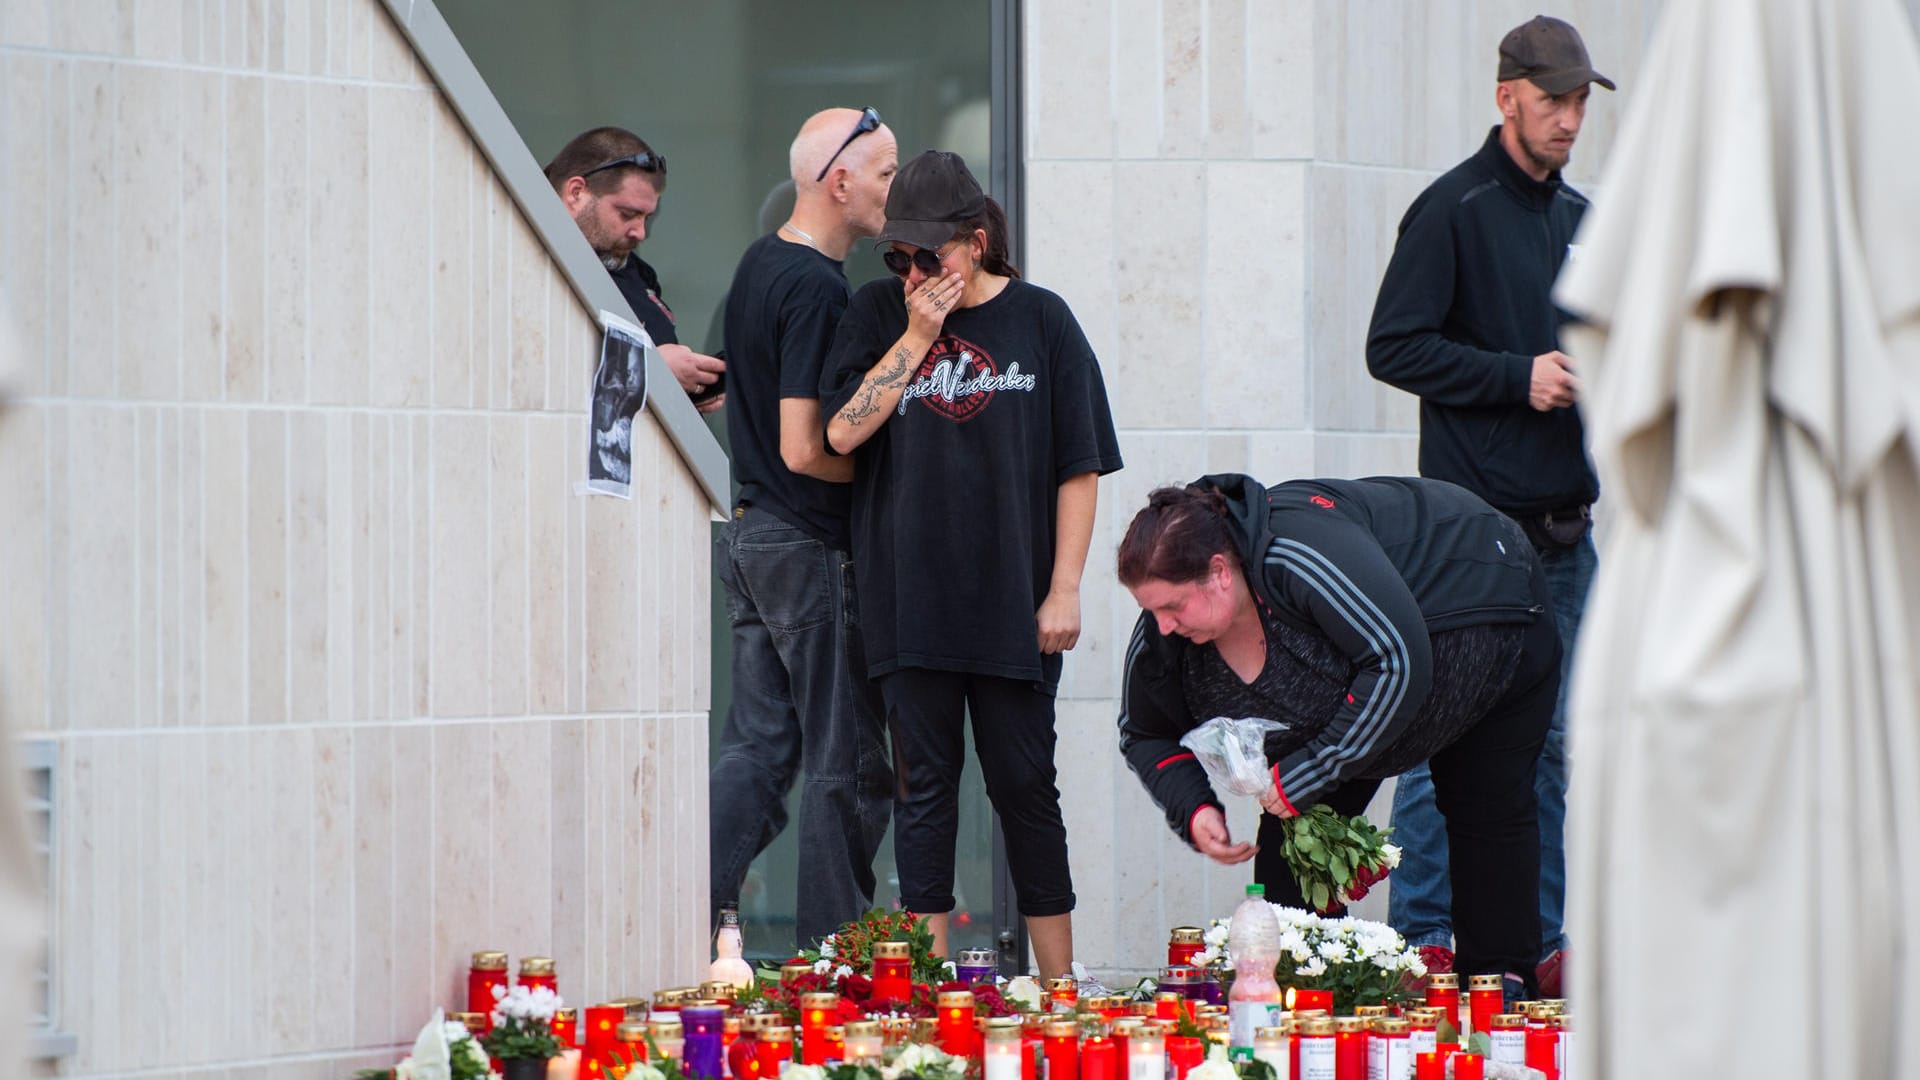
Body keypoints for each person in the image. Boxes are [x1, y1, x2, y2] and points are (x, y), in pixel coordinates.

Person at [821, 150, 1122, 980]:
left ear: (977, 241)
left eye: (930, 255)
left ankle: (1058, 989)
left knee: (1026, 787)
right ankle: (927, 992)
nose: (914, 270)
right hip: (910, 601)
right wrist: (917, 334)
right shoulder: (881, 312)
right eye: (900, 255)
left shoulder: (1043, 320)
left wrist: (1064, 589)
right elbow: (841, 431)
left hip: (1016, 605)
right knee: (924, 796)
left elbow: (1081, 465)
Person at [1363, 14, 1613, 995]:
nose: (1570, 117)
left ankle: (1536, 936)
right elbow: (1394, 346)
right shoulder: (1450, 210)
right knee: (1439, 740)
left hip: (1565, 532)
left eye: (1582, 99)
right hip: (1469, 542)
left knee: (1548, 746)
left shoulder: (1585, 221)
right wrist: (1520, 377)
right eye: (1554, 98)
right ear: (1506, 96)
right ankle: (1424, 935)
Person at [1115, 474, 1560, 996]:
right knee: (1292, 830)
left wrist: (1311, 770)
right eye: (1152, 610)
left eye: (1173, 607)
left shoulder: (1294, 556)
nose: (1162, 625)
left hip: (1487, 603)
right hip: (1369, 688)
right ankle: (1312, 994)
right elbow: (1143, 731)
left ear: (1219, 573)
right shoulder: (1166, 636)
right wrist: (1193, 805)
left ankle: (1497, 987)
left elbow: (1396, 660)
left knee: (1484, 800)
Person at [707, 107, 900, 948]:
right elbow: (804, 447)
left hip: (751, 536)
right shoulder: (819, 286)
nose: (894, 190)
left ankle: (694, 917)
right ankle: (837, 962)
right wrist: (892, 478)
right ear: (840, 179)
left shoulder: (759, 264)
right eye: (887, 173)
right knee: (848, 764)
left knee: (756, 751)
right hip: (807, 543)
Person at [545, 127, 727, 413]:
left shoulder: (637, 273)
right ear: (576, 193)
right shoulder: (529, 261)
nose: (640, 233)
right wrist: (647, 368)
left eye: (647, 217)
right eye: (627, 214)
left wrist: (685, 387)